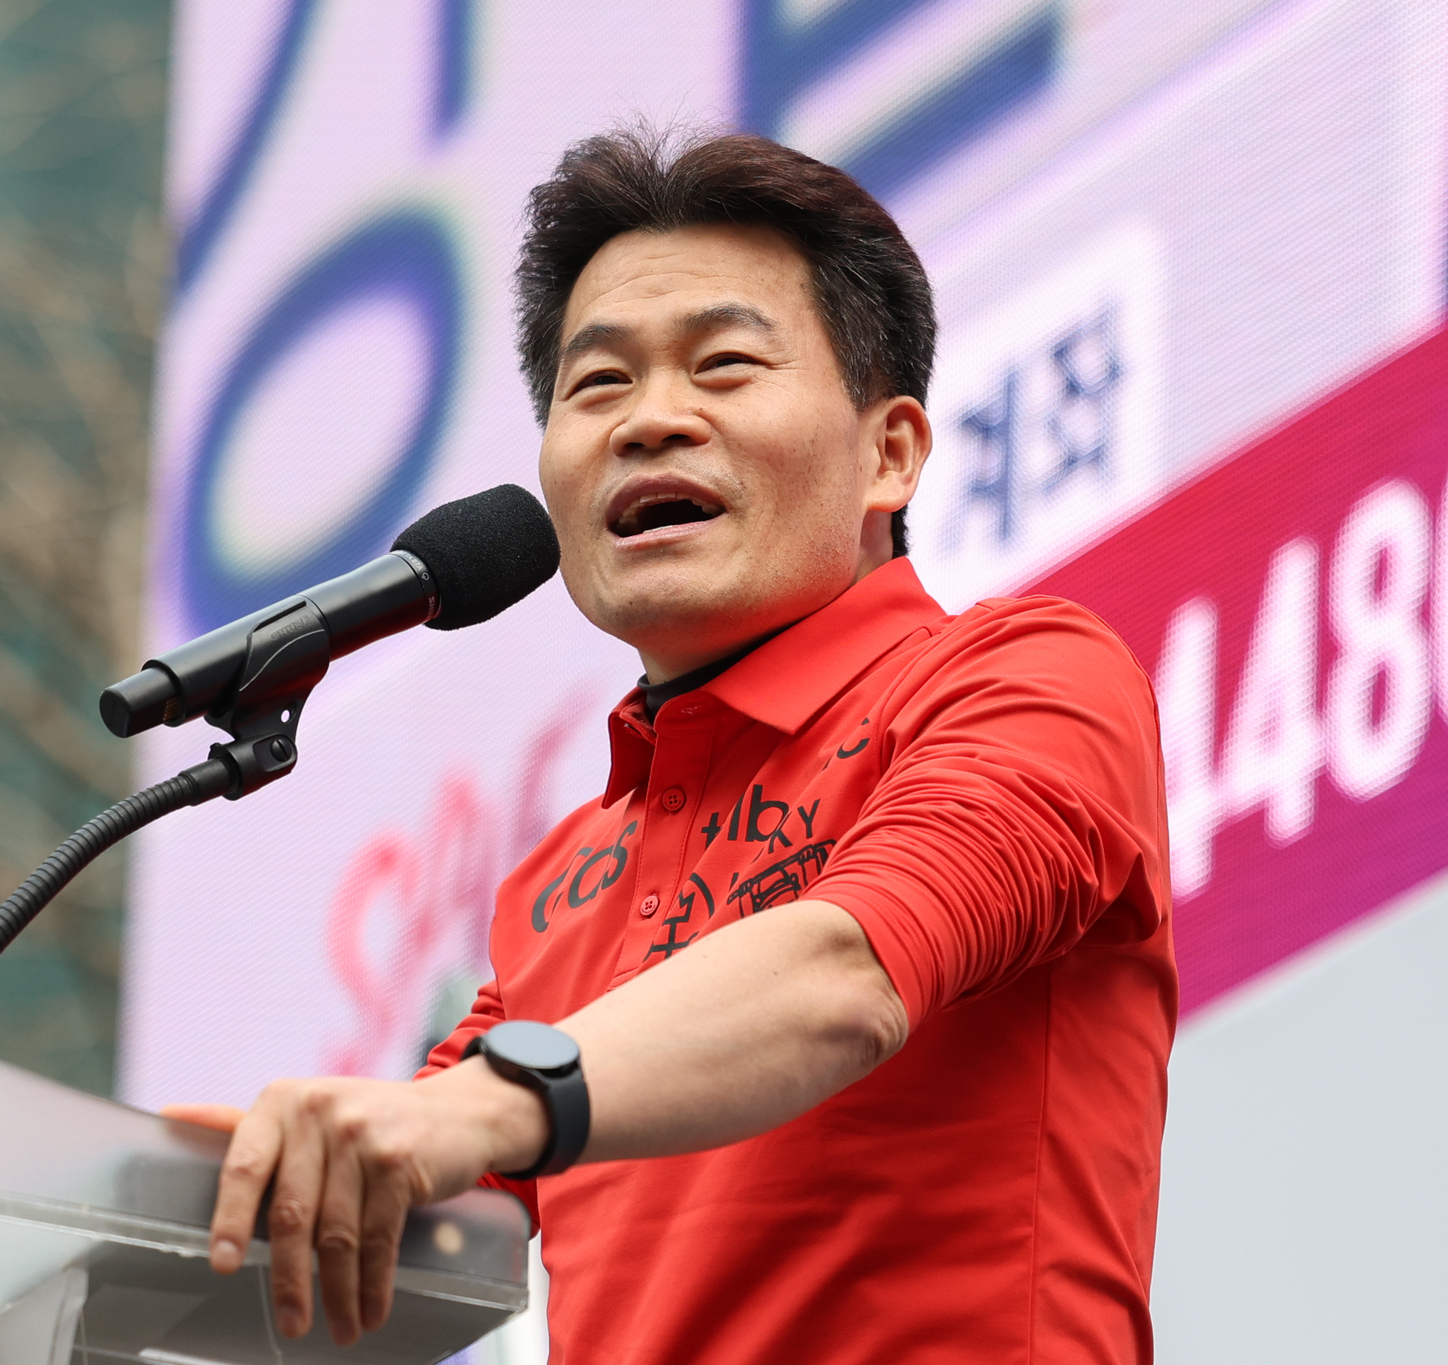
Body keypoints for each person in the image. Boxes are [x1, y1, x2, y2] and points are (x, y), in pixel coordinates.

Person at [164, 127, 1174, 1365]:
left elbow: (847, 975)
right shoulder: (555, 890)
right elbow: (395, 1210)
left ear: (889, 452)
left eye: (725, 364)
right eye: (597, 386)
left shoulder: (1022, 678)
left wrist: (488, 1100)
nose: (650, 420)